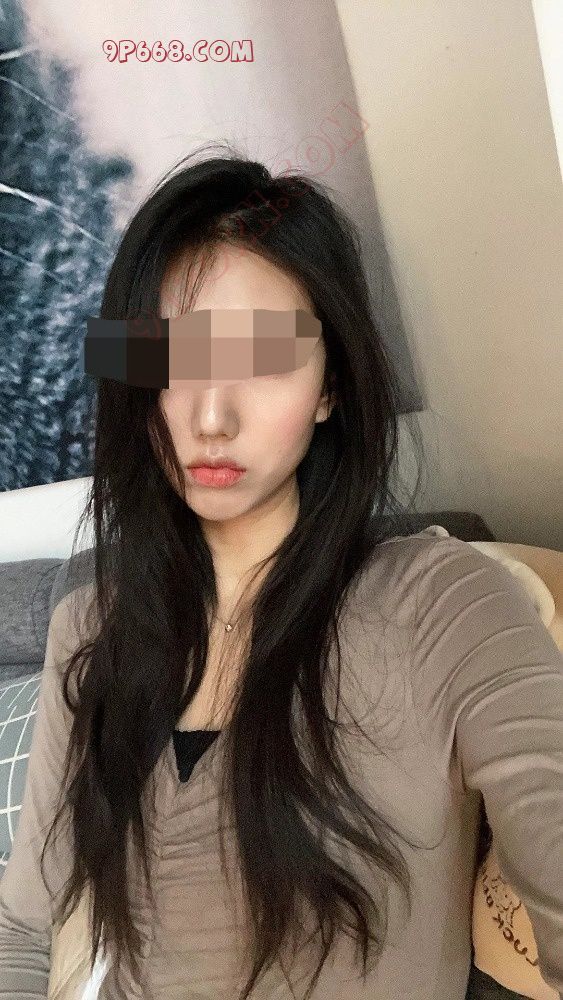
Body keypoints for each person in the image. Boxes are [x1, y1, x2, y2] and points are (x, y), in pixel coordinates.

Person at [0, 141, 561, 1000]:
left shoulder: (444, 601)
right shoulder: (93, 623)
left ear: (329, 386)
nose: (209, 416)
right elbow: (20, 924)